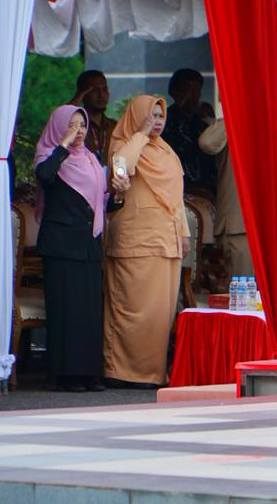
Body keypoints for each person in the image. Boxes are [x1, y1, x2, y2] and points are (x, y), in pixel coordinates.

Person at [34, 106, 127, 392]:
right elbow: (45, 176)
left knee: (88, 312)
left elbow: (101, 203)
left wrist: (120, 194)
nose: (78, 131)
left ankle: (88, 373)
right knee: (66, 311)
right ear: (58, 126)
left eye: (82, 125)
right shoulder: (49, 155)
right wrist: (63, 144)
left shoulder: (90, 160)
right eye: (72, 125)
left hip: (87, 245)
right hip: (61, 247)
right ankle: (65, 375)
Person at [103, 96, 190, 387]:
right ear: (137, 116)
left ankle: (153, 373)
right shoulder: (125, 144)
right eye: (151, 115)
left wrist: (185, 233)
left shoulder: (166, 151)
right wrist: (139, 134)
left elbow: (176, 196)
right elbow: (120, 167)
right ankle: (122, 372)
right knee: (132, 310)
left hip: (167, 239)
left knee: (159, 313)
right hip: (136, 241)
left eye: (161, 116)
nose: (158, 121)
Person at [197, 117, 252, 280]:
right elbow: (207, 143)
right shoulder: (234, 121)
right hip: (240, 222)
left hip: (275, 221)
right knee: (245, 296)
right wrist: (233, 113)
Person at [161, 68, 215, 195]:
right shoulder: (164, 123)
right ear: (173, 92)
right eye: (188, 90)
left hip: (205, 191)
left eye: (197, 90)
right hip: (175, 190)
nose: (193, 96)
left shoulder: (202, 125)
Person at [70, 70, 117, 165]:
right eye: (95, 90)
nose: (101, 95)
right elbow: (60, 117)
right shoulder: (73, 126)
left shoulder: (115, 127)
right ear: (83, 94)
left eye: (104, 89)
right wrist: (77, 97)